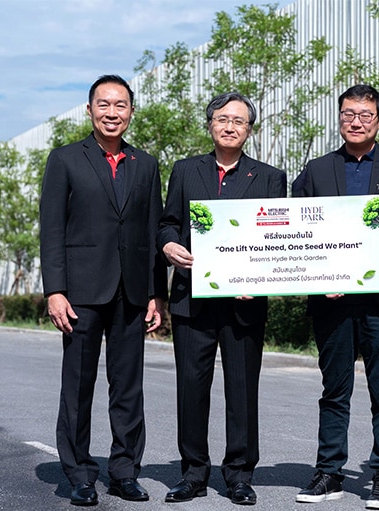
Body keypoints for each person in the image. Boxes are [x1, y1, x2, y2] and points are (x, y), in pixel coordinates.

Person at [292, 84, 379, 510]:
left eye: (365, 114)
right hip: (331, 299)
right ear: (339, 118)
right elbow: (294, 230)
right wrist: (316, 274)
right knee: (334, 391)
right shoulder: (316, 170)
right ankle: (329, 473)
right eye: (348, 114)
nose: (356, 122)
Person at [39, 74, 167, 506]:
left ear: (131, 111)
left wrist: (156, 293)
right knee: (78, 386)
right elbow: (52, 229)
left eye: (121, 105)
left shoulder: (146, 164)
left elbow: (151, 231)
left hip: (131, 292)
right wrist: (55, 290)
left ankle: (124, 472)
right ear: (90, 109)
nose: (112, 113)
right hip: (80, 292)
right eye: (104, 104)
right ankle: (79, 474)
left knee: (128, 388)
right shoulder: (65, 159)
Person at [157, 92, 287, 506]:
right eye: (223, 119)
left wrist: (260, 278)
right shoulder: (185, 170)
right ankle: (193, 473)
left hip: (245, 301)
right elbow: (168, 222)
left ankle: (240, 475)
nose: (230, 126)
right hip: (192, 298)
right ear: (210, 124)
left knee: (242, 391)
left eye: (239, 121)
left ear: (249, 130)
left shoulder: (270, 177)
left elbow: (277, 237)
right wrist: (169, 246)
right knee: (191, 387)